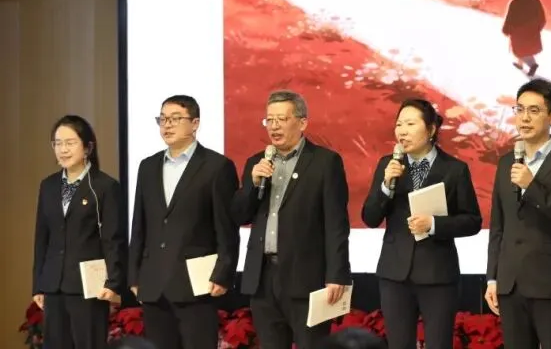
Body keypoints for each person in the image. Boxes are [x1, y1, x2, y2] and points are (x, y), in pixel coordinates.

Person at [231, 90, 351, 349]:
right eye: (269, 120)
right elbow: (240, 215)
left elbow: (336, 224)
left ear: (302, 122)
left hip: (307, 278)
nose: (274, 127)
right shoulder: (256, 162)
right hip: (263, 279)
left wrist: (337, 274)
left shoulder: (325, 162)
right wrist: (253, 184)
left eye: (281, 119)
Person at [361, 98, 482, 349]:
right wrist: (386, 185)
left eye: (410, 124)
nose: (402, 131)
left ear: (431, 129)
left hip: (438, 274)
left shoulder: (454, 169)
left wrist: (434, 225)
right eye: (399, 124)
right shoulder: (388, 165)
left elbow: (472, 221)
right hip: (395, 274)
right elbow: (370, 218)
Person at [484, 79, 551, 349]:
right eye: (519, 110)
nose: (524, 118)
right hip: (510, 285)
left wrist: (531, 186)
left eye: (534, 111)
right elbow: (498, 225)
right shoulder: (507, 162)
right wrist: (493, 277)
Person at [129, 95, 241, 349]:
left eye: (175, 119)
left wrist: (223, 273)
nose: (167, 125)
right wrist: (134, 275)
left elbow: (226, 227)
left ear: (195, 123)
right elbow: (139, 225)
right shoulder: (148, 167)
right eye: (163, 119)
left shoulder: (217, 166)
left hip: (196, 285)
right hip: (154, 284)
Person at [32, 115, 126, 349]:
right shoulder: (48, 185)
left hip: (89, 287)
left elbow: (113, 239)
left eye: (70, 143)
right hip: (54, 285)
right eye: (57, 143)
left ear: (88, 147)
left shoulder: (105, 186)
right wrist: (38, 284)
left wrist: (113, 282)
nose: (63, 149)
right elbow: (42, 238)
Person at [501, 0, 546, 77]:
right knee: (527, 48)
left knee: (520, 49)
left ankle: (532, 64)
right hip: (532, 30)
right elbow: (541, 16)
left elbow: (510, 17)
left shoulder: (515, 2)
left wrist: (506, 28)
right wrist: (539, 27)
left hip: (518, 31)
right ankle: (520, 64)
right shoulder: (535, 1)